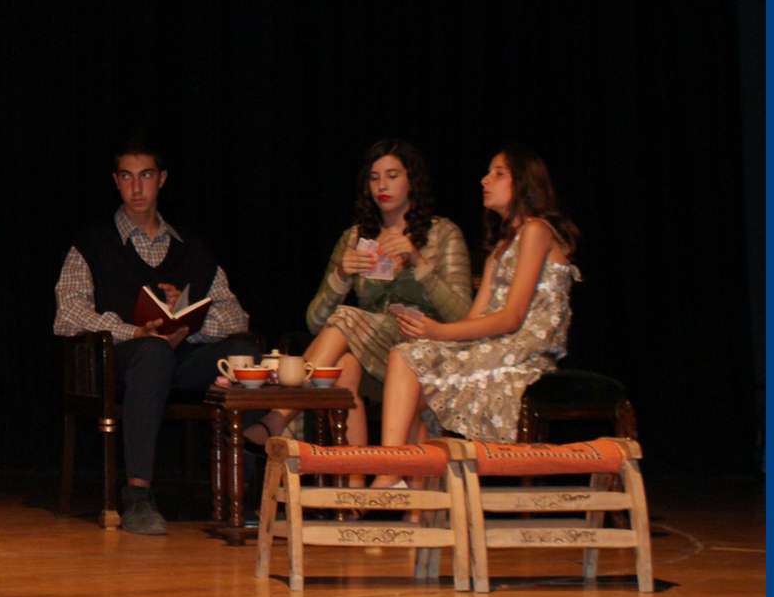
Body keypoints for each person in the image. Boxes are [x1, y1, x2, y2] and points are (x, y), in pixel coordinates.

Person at [53, 134, 264, 535]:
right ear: (116, 181)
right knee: (152, 351)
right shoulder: (92, 244)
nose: (137, 187)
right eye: (127, 177)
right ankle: (137, 495)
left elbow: (237, 315)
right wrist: (134, 331)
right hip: (119, 362)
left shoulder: (192, 249)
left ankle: (243, 493)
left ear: (162, 179)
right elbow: (69, 313)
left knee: (244, 352)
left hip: (182, 355)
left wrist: (188, 323)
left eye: (146, 176)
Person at [243, 138, 473, 454]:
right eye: (374, 177)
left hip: (427, 348)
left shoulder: (443, 233)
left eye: (392, 175)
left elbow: (463, 315)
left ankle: (278, 417)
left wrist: (419, 263)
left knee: (346, 322)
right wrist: (340, 277)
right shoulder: (354, 237)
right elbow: (314, 322)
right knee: (345, 365)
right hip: (376, 354)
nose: (382, 185)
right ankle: (353, 480)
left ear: (412, 181)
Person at [374, 145, 582, 476]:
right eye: (488, 173)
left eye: (498, 173)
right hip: (492, 347)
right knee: (407, 356)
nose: (485, 180)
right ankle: (410, 488)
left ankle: (391, 477)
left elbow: (512, 317)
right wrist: (425, 329)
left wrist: (438, 331)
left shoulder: (537, 231)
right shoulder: (499, 250)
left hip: (522, 353)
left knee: (412, 369)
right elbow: (473, 320)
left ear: (524, 183)